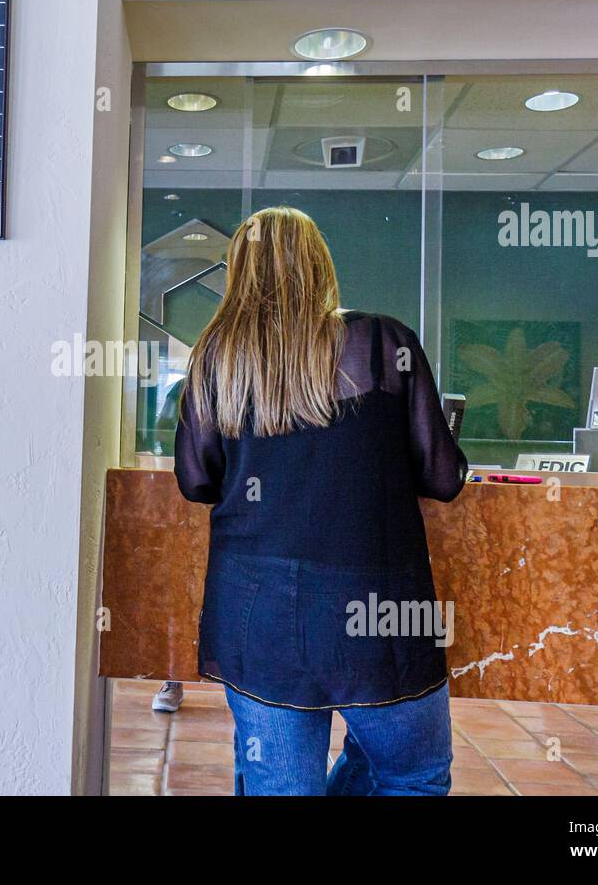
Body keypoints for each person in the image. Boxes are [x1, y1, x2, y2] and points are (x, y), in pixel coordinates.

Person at [174, 206, 467, 796]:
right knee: (412, 777)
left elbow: (195, 481)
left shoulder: (217, 358)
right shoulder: (384, 342)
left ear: (238, 272)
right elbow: (443, 477)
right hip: (381, 612)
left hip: (257, 613)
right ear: (320, 265)